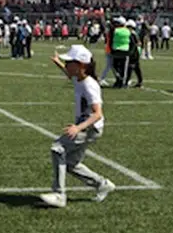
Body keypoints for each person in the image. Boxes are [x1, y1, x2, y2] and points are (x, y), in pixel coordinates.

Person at [40, 44, 116, 207]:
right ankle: (102, 184)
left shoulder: (89, 85)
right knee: (70, 164)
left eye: (69, 62)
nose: (67, 65)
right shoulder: (78, 77)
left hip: (90, 128)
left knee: (58, 148)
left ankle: (59, 195)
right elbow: (69, 74)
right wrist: (57, 62)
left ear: (81, 65)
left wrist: (78, 128)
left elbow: (97, 113)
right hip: (85, 126)